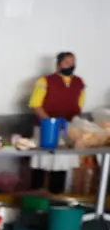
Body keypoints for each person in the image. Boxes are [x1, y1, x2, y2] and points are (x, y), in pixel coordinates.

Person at [28, 51, 86, 193]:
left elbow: (79, 105)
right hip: (45, 129)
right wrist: (50, 123)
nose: (70, 65)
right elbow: (35, 104)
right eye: (67, 62)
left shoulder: (79, 83)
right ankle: (36, 199)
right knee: (41, 164)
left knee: (61, 164)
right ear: (59, 64)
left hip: (67, 129)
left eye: (73, 62)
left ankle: (56, 198)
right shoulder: (45, 81)